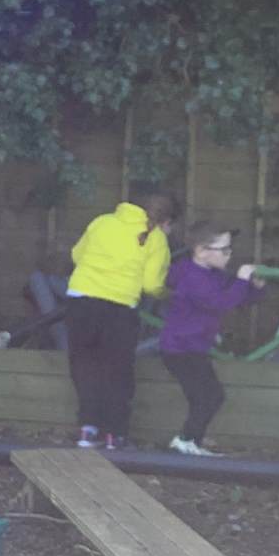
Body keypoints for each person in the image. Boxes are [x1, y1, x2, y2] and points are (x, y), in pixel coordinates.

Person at [65, 191, 178, 450]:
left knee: (85, 366)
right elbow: (151, 285)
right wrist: (168, 293)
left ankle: (87, 429)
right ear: (165, 221)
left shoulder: (102, 221)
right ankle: (114, 434)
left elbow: (77, 255)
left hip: (80, 301)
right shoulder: (156, 238)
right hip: (119, 308)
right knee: (117, 371)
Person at [159, 223, 264, 456]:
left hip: (193, 347)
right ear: (201, 251)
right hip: (181, 349)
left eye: (229, 249)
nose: (229, 255)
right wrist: (242, 280)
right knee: (209, 396)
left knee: (207, 396)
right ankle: (185, 441)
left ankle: (189, 441)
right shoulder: (192, 278)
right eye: (223, 250)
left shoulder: (213, 275)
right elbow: (220, 303)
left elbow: (239, 298)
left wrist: (254, 288)